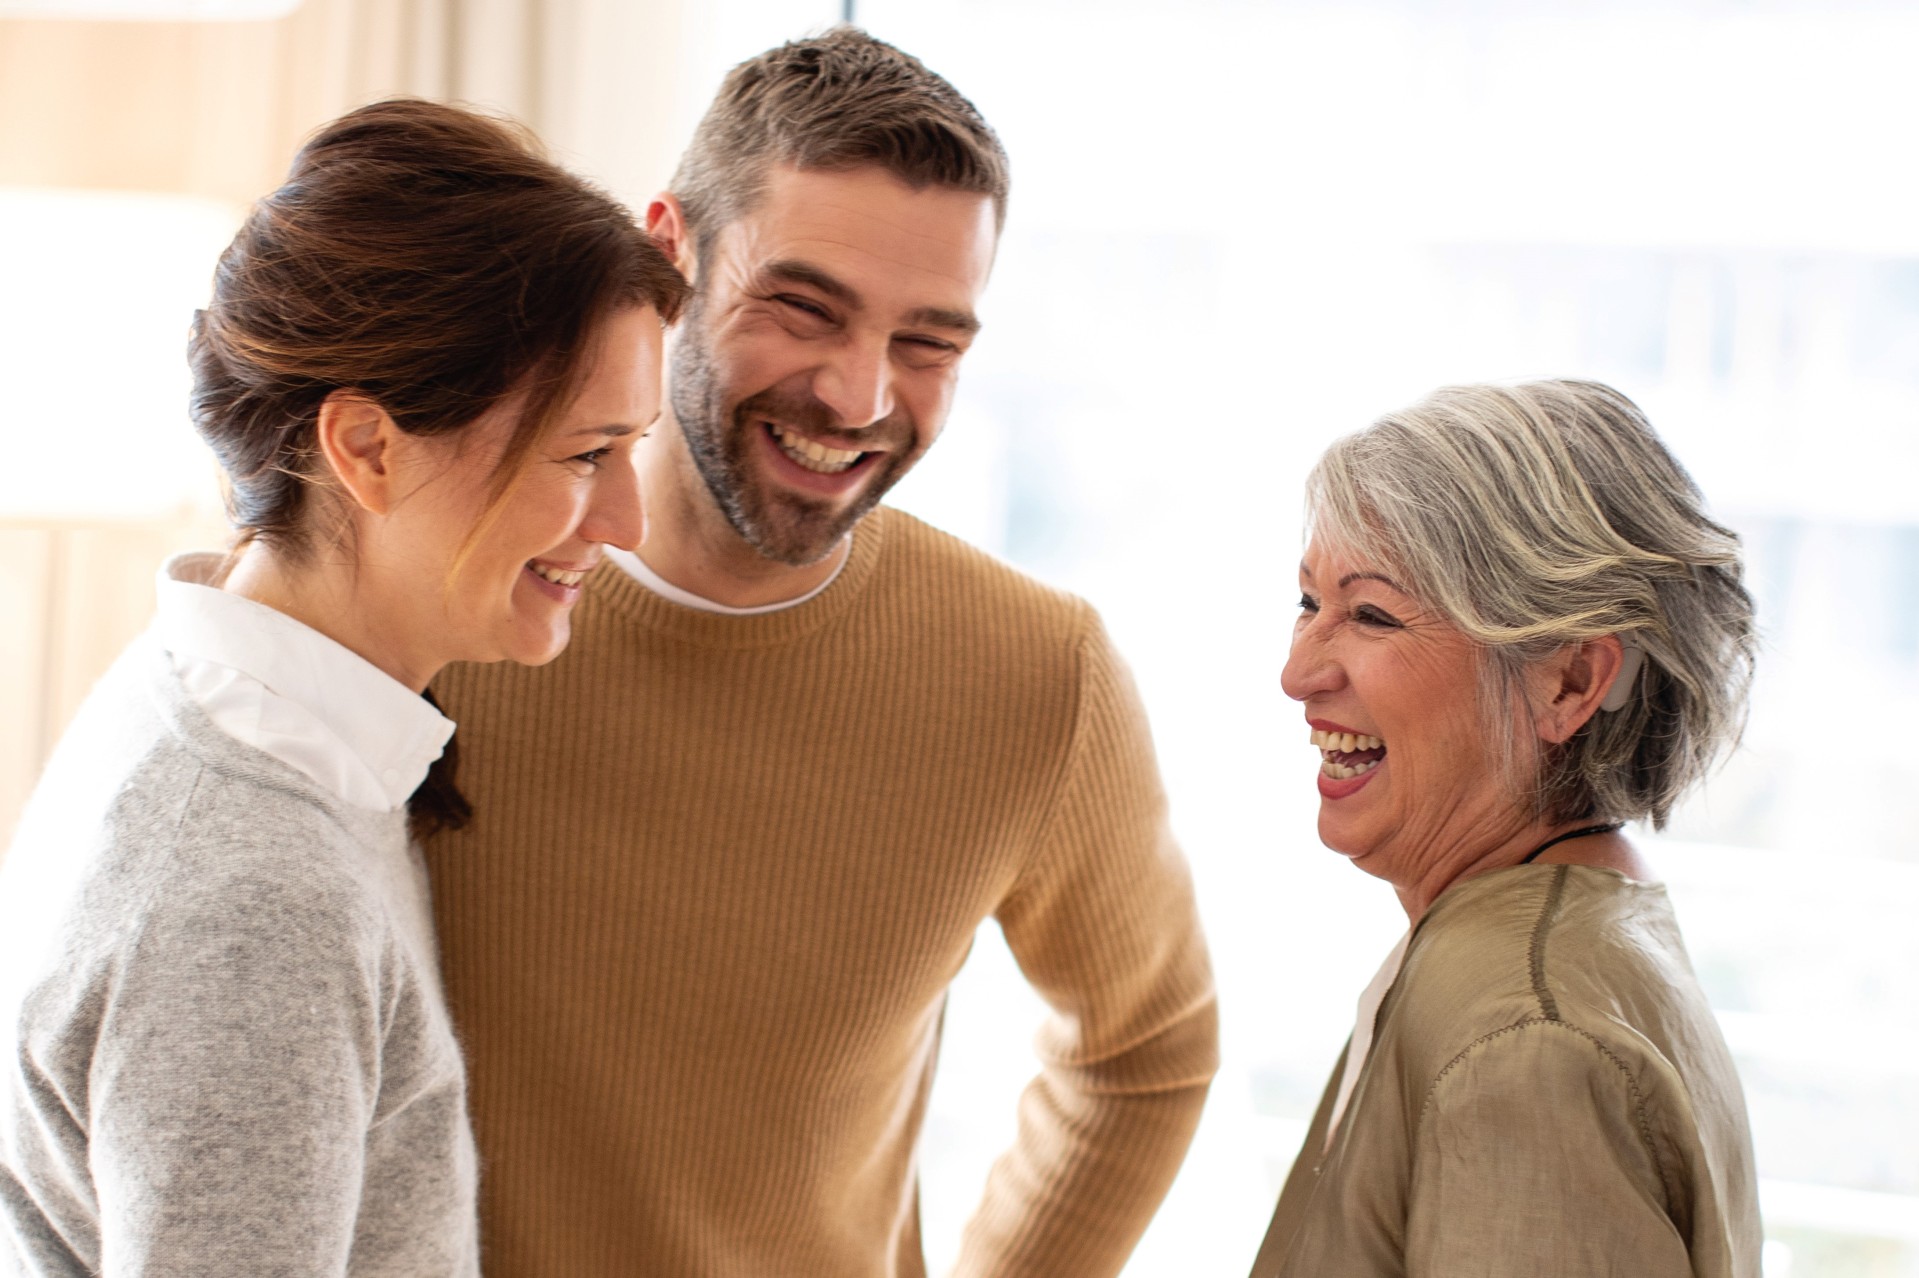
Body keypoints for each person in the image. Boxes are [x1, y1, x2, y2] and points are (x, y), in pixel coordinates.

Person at [422, 27, 1218, 1278]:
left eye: (927, 344)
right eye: (803, 309)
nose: (857, 397)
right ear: (670, 253)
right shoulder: (444, 605)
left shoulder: (1032, 672)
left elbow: (1145, 1050)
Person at [0, 99, 685, 1275]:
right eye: (584, 455)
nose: (625, 523)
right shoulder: (253, 895)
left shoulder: (212, 699)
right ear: (368, 449)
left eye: (632, 449)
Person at [1250, 379, 1762, 1276]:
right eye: (1307, 602)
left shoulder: (1524, 1045)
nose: (1298, 673)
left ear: (1566, 681)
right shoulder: (1573, 927)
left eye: (1370, 612)